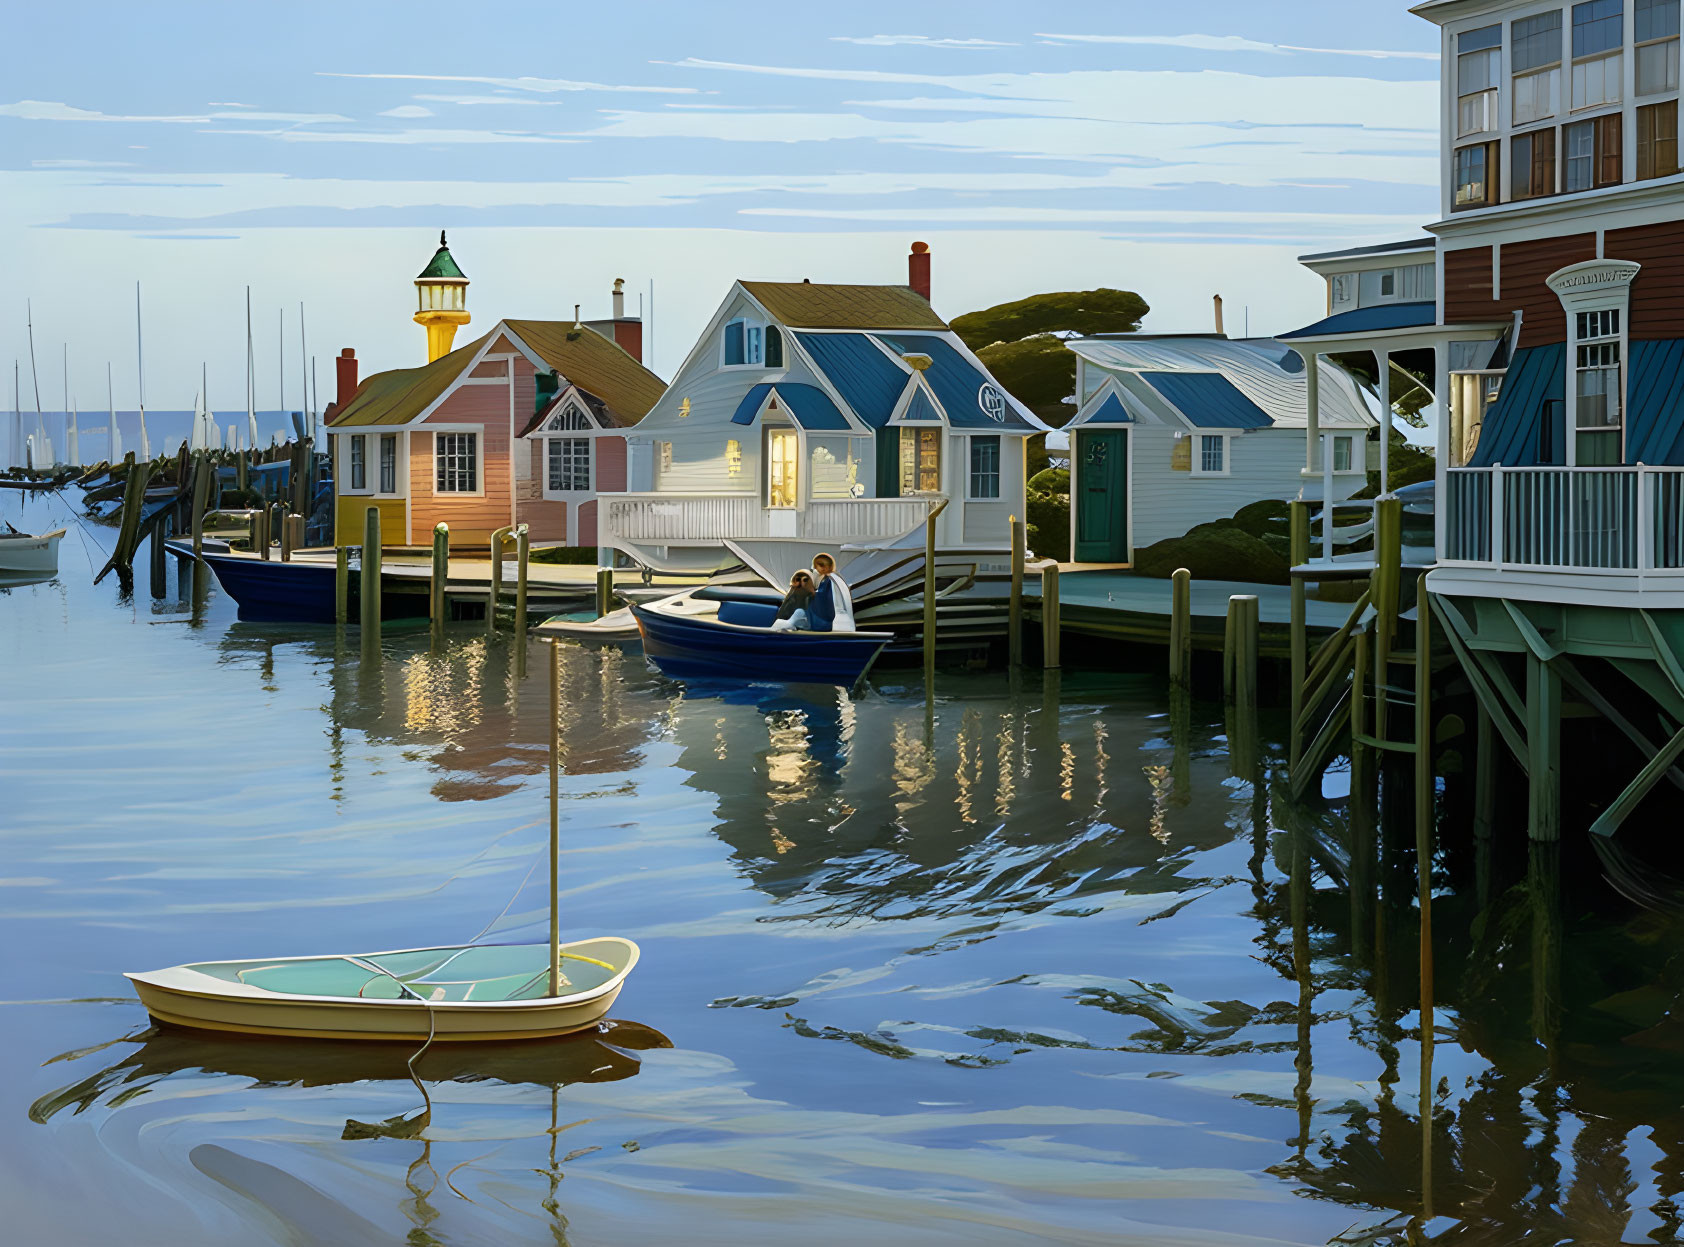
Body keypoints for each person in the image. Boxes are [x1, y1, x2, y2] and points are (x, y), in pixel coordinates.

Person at [807, 552, 856, 634]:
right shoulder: (836, 577)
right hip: (844, 622)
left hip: (833, 623)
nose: (824, 568)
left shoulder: (829, 580)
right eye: (821, 565)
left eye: (827, 565)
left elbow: (824, 600)